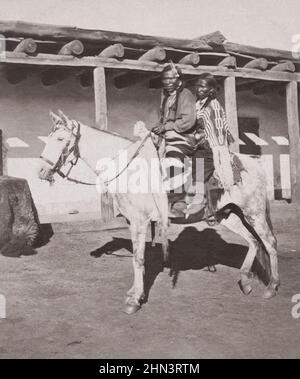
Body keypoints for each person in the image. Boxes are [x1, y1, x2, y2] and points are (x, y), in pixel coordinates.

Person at [185, 73, 235, 216]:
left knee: (198, 170)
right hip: (197, 144)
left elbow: (218, 132)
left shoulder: (214, 106)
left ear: (211, 90)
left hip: (211, 148)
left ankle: (202, 202)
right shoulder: (198, 104)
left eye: (203, 86)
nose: (199, 88)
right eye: (198, 85)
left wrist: (198, 138)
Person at [152, 63, 197, 217]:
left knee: (172, 156)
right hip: (168, 136)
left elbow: (188, 121)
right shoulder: (166, 97)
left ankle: (179, 201)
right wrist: (159, 127)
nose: (168, 82)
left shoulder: (186, 95)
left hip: (184, 137)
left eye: (171, 79)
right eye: (165, 79)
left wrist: (167, 127)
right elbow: (164, 120)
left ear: (179, 79)